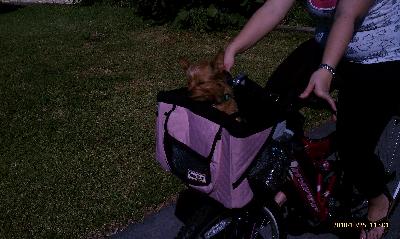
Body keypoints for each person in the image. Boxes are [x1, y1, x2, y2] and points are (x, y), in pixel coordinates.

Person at [223, 0, 400, 239]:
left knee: (353, 146)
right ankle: (292, 174)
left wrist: (327, 70)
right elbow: (275, 6)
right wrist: (233, 48)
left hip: (380, 55)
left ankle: (378, 199)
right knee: (270, 106)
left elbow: (346, 15)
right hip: (328, 44)